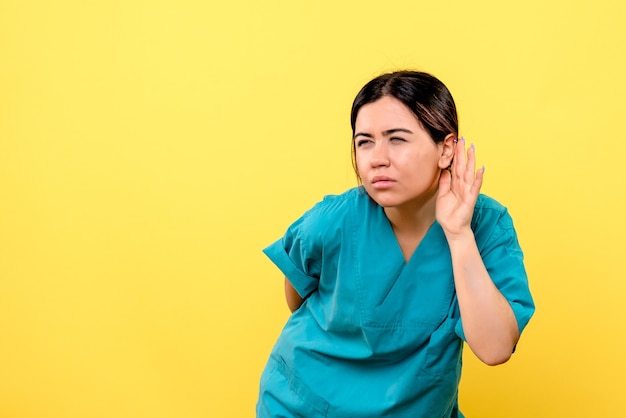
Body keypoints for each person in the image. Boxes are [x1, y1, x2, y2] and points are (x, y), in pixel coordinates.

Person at [256, 70, 535, 417]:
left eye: (397, 139)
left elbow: (496, 348)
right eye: (364, 141)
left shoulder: (486, 225)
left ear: (446, 149)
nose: (377, 158)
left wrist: (458, 234)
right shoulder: (334, 219)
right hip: (308, 404)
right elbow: (295, 296)